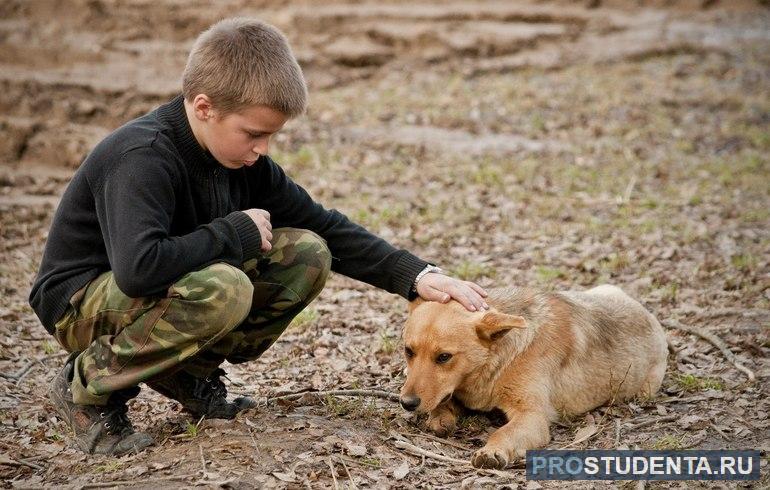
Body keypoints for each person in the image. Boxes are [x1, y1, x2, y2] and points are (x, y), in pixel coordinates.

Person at [29, 17, 488, 456]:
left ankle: (187, 372)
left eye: (271, 136)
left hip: (156, 293)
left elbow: (323, 224)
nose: (262, 148)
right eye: (253, 134)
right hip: (81, 302)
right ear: (204, 107)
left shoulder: (243, 162)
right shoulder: (142, 157)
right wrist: (231, 233)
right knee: (224, 288)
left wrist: (414, 275)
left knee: (308, 253)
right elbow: (137, 269)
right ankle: (87, 388)